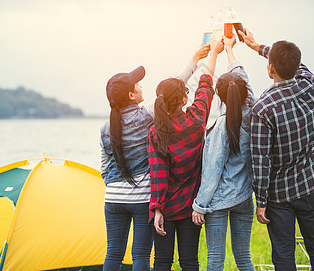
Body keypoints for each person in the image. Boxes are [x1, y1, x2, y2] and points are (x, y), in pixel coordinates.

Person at [100, 45, 210, 270]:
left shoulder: (105, 127)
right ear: (132, 95)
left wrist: (114, 184)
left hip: (112, 197)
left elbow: (104, 166)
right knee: (140, 254)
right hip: (140, 196)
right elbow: (172, 89)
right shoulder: (146, 116)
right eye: (137, 85)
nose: (141, 86)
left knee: (113, 255)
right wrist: (194, 59)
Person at [237, 28, 314, 271]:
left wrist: (261, 201)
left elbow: (261, 160)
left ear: (270, 69)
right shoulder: (310, 84)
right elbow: (295, 63)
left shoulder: (263, 108)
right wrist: (258, 46)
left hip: (279, 196)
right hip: (311, 185)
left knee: (283, 257)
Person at [147, 38, 224, 271]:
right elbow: (205, 85)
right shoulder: (196, 119)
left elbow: (158, 175)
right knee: (189, 262)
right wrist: (214, 54)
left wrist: (157, 209)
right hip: (191, 206)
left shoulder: (156, 131)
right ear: (183, 99)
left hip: (167, 205)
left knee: (162, 262)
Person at [192, 36, 255, 271]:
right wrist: (229, 50)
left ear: (219, 96)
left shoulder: (221, 127)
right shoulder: (253, 113)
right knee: (244, 258)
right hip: (244, 199)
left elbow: (212, 170)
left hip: (218, 201)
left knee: (215, 260)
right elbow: (243, 80)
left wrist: (199, 205)